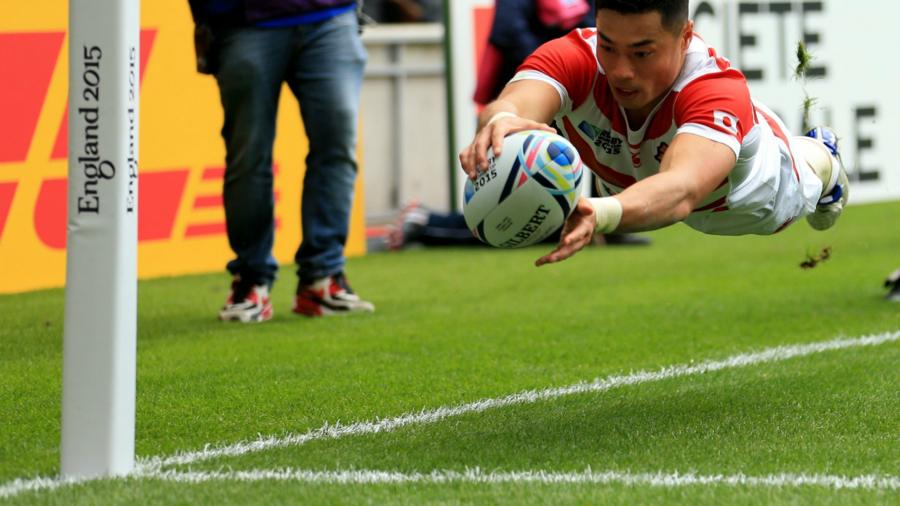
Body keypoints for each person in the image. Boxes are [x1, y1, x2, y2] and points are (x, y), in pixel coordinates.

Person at [459, 0, 849, 267]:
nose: (621, 71)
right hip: (639, 189)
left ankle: (823, 159)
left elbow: (681, 189)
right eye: (608, 47)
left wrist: (602, 212)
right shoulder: (574, 56)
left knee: (804, 171)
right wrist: (498, 123)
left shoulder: (715, 90)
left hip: (744, 201)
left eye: (642, 53)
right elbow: (514, 103)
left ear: (684, 36)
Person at [189, 0, 375, 322]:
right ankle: (251, 280)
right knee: (248, 154)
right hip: (243, 19)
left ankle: (323, 278)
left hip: (331, 15)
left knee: (337, 146)